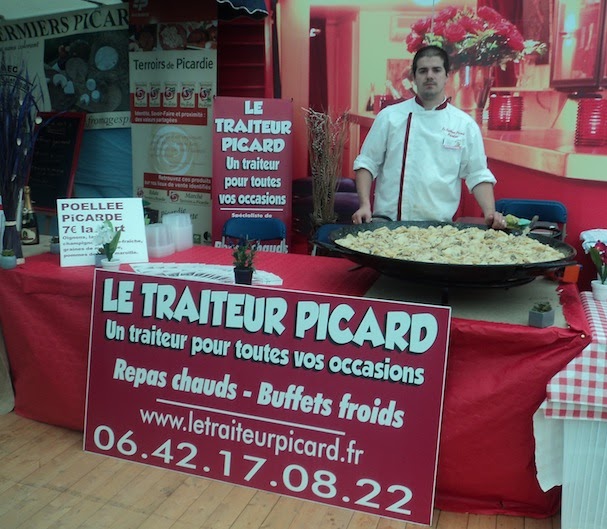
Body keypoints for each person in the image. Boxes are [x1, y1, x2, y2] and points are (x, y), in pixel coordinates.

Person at [352, 45, 506, 230]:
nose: (429, 76)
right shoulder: (390, 117)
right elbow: (367, 163)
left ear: (447, 76)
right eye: (423, 71)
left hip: (439, 229)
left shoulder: (464, 125)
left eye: (436, 70)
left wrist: (490, 213)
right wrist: (364, 205)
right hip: (387, 224)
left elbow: (477, 174)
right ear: (414, 77)